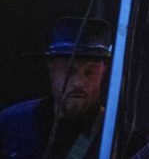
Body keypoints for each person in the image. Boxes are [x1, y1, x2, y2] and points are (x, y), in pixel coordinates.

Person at [0, 17, 123, 158]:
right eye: (70, 70)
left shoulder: (120, 137)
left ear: (103, 72)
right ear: (51, 69)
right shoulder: (13, 122)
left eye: (90, 72)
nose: (79, 82)